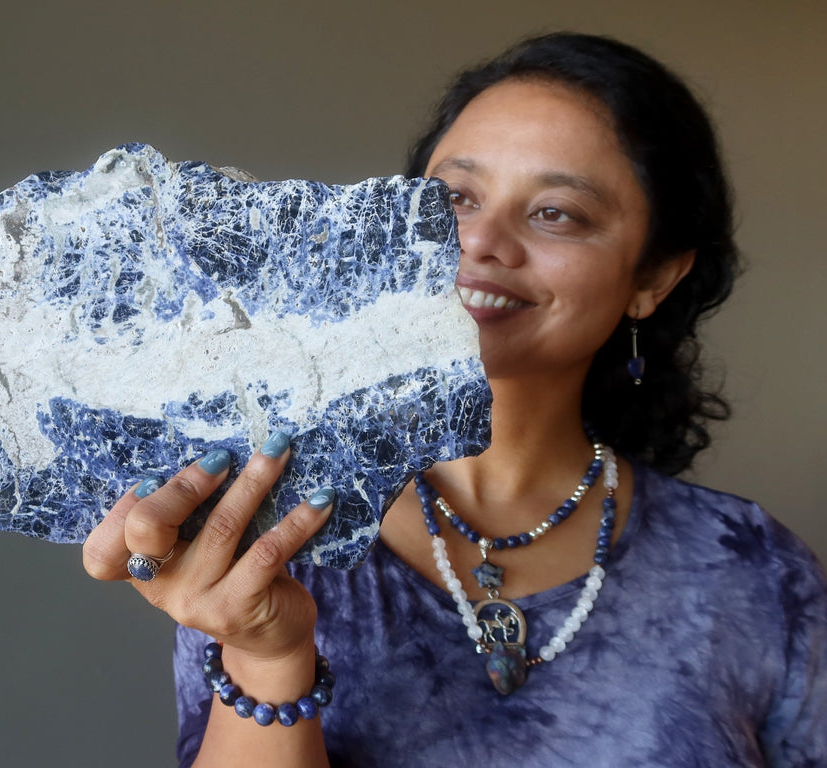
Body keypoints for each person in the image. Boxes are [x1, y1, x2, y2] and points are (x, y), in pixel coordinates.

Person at [82, 32, 827, 767]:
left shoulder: (755, 573)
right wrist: (268, 656)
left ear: (653, 279)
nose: (482, 241)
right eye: (457, 197)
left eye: (556, 213)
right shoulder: (269, 539)